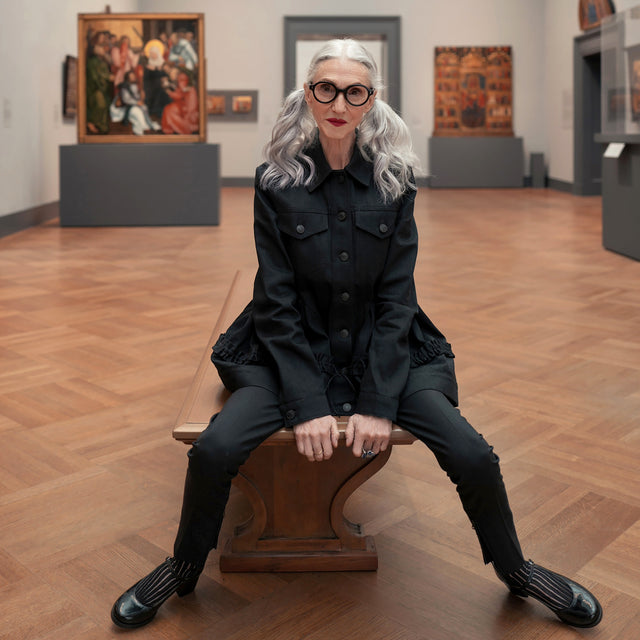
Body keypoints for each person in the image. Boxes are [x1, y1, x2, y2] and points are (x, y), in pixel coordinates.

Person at [111, 39, 603, 630]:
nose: (338, 102)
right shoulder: (276, 182)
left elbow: (398, 299)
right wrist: (309, 403)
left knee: (472, 453)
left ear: (371, 101)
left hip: (384, 347)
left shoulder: (395, 184)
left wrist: (376, 401)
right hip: (289, 348)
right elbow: (277, 300)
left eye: (354, 90)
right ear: (307, 95)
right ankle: (182, 567)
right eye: (325, 88)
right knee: (214, 449)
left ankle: (518, 571)